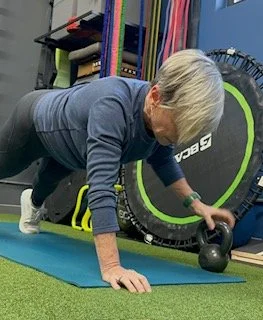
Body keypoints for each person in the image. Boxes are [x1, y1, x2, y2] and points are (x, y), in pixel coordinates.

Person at [1, 49, 235, 293]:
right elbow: (101, 187)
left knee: (49, 180)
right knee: (4, 167)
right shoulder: (113, 106)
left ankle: (33, 202)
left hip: (72, 147)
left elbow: (164, 162)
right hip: (34, 121)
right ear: (155, 97)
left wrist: (198, 206)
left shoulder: (159, 119)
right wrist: (112, 266)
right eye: (177, 127)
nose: (178, 137)